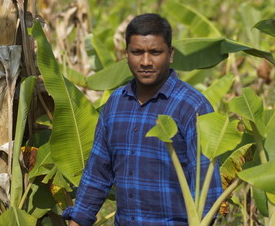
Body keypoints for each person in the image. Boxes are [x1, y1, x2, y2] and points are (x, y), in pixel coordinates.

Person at [63, 13, 222, 226]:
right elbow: (97, 174)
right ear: (126, 54)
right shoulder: (115, 104)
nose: (145, 62)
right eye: (137, 52)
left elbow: (206, 188)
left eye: (155, 52)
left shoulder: (192, 107)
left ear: (170, 54)